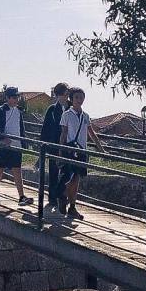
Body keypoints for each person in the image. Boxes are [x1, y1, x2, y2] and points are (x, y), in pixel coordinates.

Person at [57, 88, 101, 219]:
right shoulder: (66, 114)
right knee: (69, 177)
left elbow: (91, 133)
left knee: (76, 179)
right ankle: (62, 196)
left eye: (81, 97)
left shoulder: (85, 116)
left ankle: (72, 206)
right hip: (70, 150)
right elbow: (63, 133)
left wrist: (100, 148)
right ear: (71, 99)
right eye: (76, 97)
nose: (79, 100)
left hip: (82, 150)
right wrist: (60, 150)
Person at [0, 87, 33, 207]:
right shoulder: (0, 110)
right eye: (13, 97)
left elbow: (21, 127)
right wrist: (3, 138)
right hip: (3, 145)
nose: (16, 100)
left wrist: (24, 141)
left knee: (17, 169)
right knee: (0, 168)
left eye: (17, 97)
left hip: (16, 144)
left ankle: (21, 196)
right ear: (7, 98)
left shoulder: (18, 111)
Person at [39, 83, 70, 215]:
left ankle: (61, 195)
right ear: (57, 95)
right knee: (53, 171)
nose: (65, 97)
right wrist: (43, 144)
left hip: (68, 144)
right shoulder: (52, 109)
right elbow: (45, 128)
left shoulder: (71, 107)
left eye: (67, 94)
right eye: (63, 94)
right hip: (54, 144)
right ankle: (52, 197)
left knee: (67, 171)